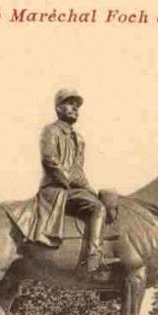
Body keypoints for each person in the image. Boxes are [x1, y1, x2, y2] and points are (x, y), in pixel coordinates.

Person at [39, 89, 107, 276]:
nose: (75, 108)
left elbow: (78, 169)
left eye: (77, 105)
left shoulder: (79, 139)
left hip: (73, 189)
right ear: (58, 108)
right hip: (56, 188)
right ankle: (94, 257)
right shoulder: (50, 130)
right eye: (70, 103)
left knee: (104, 202)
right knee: (98, 208)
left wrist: (89, 189)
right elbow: (50, 160)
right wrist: (69, 182)